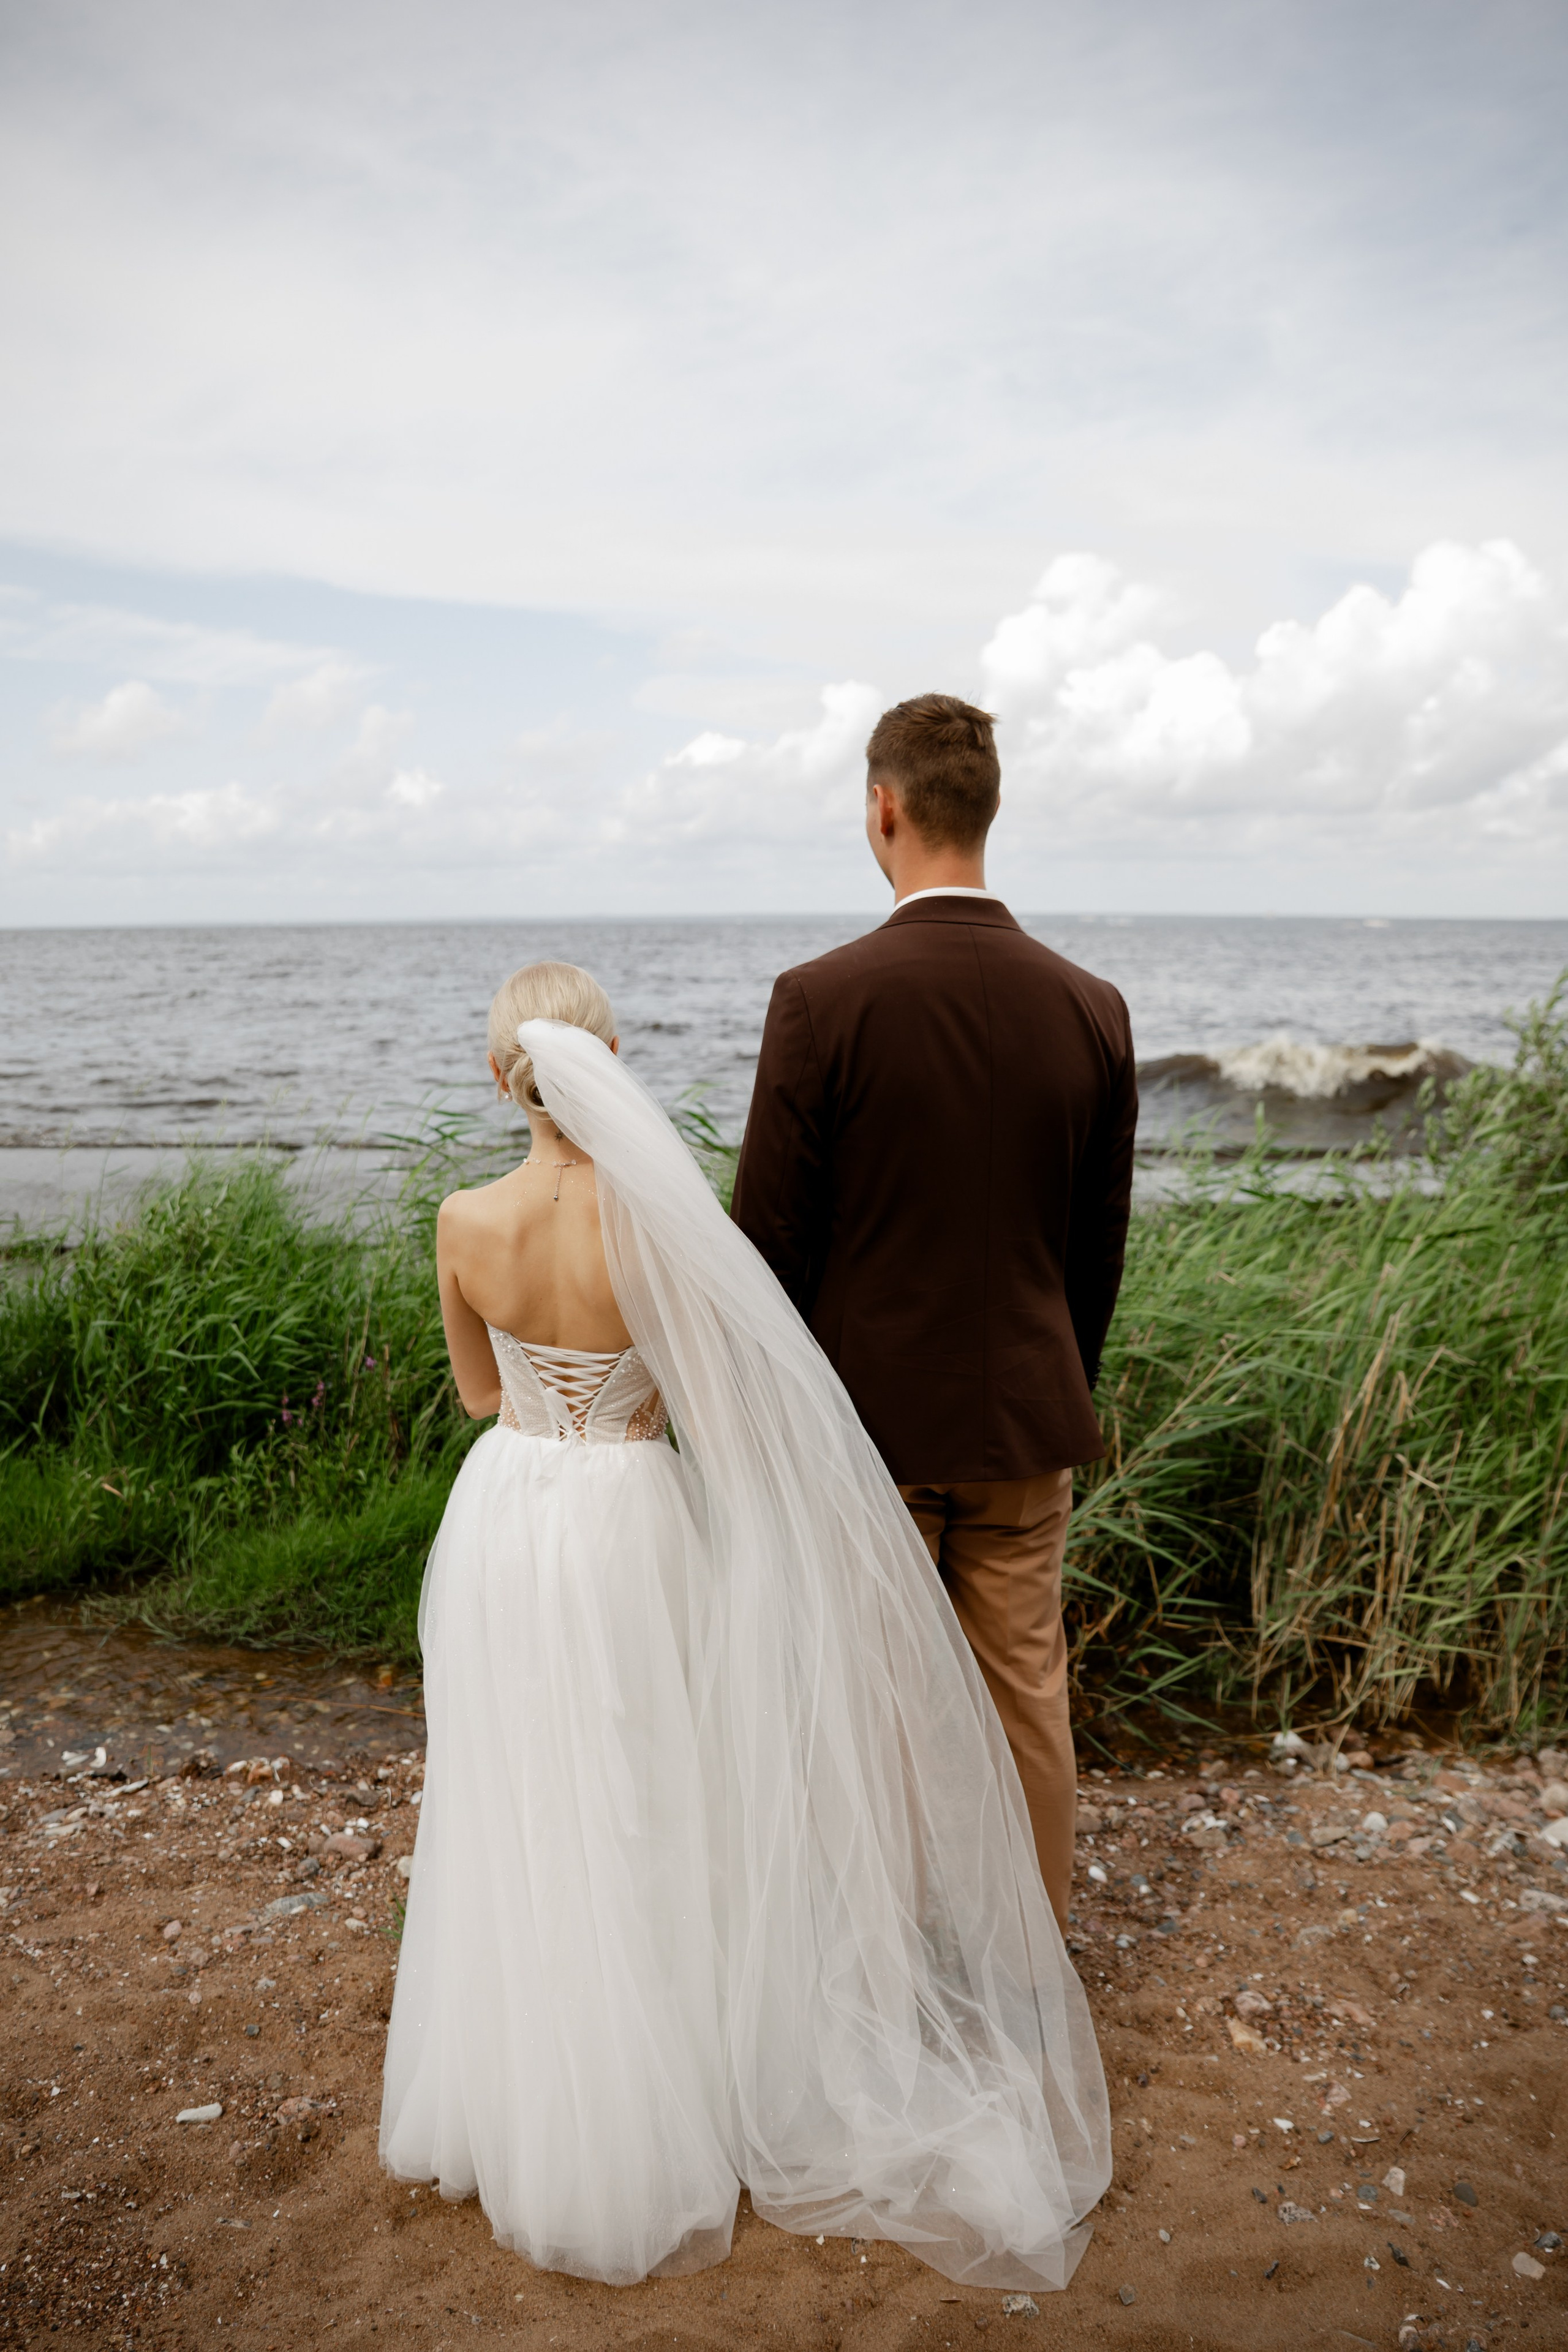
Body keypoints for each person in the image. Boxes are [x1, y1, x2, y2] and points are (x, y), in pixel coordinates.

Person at [380, 959, 1110, 2292]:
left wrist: (560, 1405)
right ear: (608, 1062)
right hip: (625, 1518)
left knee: (523, 1790)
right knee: (651, 1785)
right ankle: (684, 2078)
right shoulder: (658, 1227)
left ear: (503, 1076)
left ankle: (534, 2098)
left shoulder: (458, 1218)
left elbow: (481, 1396)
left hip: (508, 1519)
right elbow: (719, 1401)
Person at [731, 695, 1138, 1931]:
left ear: (884, 809)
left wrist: (780, 1425)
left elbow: (765, 1247)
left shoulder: (820, 1000)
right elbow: (1093, 1253)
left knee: (870, 1705)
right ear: (987, 811)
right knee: (1025, 1692)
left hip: (867, 1433)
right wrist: (1047, 1379)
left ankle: (883, 1969)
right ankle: (1025, 1970)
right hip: (1024, 1421)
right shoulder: (1090, 1006)